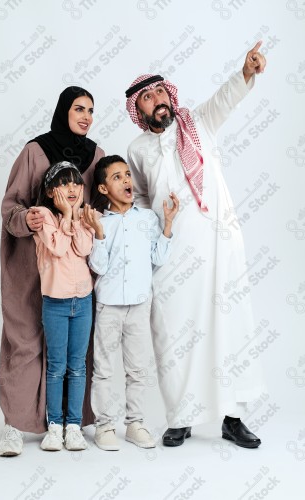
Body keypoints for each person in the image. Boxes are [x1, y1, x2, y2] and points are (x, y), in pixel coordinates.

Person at [125, 42, 267, 448]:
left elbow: (226, 97)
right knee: (174, 333)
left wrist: (245, 72)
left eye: (160, 93)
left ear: (171, 95)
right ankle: (181, 418)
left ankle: (232, 417)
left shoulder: (198, 122)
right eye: (147, 98)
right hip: (172, 254)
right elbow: (136, 199)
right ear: (140, 109)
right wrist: (153, 226)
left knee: (229, 327)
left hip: (219, 244)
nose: (157, 101)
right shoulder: (137, 150)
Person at [0, 86, 105, 457]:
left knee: (78, 354)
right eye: (79, 108)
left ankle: (70, 422)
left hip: (77, 271)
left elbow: (102, 205)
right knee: (24, 342)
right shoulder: (35, 151)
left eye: (91, 110)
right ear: (63, 111)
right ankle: (14, 425)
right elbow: (10, 205)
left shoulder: (96, 156)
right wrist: (27, 218)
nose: (86, 116)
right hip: (34, 264)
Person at [84, 155, 179, 450]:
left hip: (139, 305)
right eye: (117, 177)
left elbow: (158, 258)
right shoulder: (100, 223)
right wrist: (98, 234)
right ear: (102, 189)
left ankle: (135, 423)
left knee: (138, 369)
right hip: (108, 306)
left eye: (127, 174)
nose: (126, 180)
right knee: (104, 369)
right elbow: (98, 267)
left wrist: (168, 224)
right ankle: (104, 427)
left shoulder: (148, 218)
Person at [34, 161, 93, 451]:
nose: (72, 188)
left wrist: (75, 216)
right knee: (56, 367)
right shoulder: (42, 215)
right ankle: (54, 425)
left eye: (76, 183)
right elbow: (56, 248)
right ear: (49, 191)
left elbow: (83, 248)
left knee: (78, 366)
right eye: (64, 183)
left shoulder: (85, 216)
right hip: (55, 302)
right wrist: (68, 215)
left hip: (82, 300)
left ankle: (74, 425)